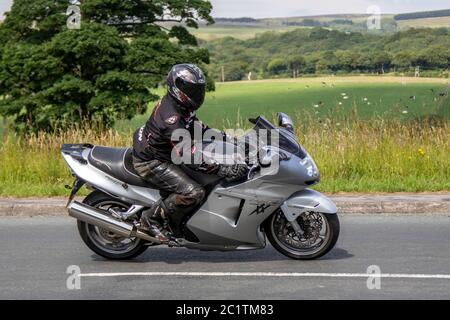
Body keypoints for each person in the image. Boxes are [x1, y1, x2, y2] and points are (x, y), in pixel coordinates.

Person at [132, 64, 248, 242]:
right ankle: (150, 220)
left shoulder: (180, 105)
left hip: (162, 151)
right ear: (176, 87)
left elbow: (195, 126)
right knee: (194, 193)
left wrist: (228, 139)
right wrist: (222, 169)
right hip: (152, 161)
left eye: (198, 89)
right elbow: (187, 155)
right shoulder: (172, 118)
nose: (196, 93)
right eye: (190, 89)